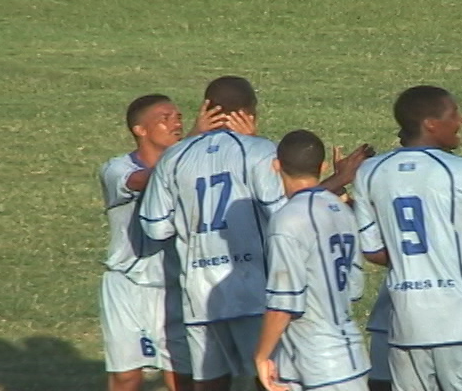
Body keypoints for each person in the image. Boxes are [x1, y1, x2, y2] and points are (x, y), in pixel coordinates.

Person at [138, 76, 372, 391]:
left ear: (206, 108)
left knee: (208, 383)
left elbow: (155, 226)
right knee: (268, 377)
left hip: (199, 295)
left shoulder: (173, 158)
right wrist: (337, 181)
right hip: (253, 294)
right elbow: (288, 213)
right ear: (250, 113)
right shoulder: (260, 151)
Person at [353, 85, 462, 391]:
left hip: (406, 323)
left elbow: (371, 250)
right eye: (454, 114)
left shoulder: (369, 172)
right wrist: (449, 253)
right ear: (430, 123)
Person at [99, 94, 229, 391]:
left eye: (179, 117)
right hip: (127, 286)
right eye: (165, 118)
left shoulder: (187, 166)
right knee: (126, 377)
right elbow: (148, 179)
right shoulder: (115, 169)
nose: (177, 123)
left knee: (182, 377)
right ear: (139, 130)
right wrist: (195, 139)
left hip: (176, 286)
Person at [254, 129, 370, 391]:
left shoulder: (287, 220)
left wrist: (261, 356)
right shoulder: (342, 209)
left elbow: (284, 303)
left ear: (276, 166)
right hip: (346, 357)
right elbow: (355, 288)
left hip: (318, 363)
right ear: (323, 166)